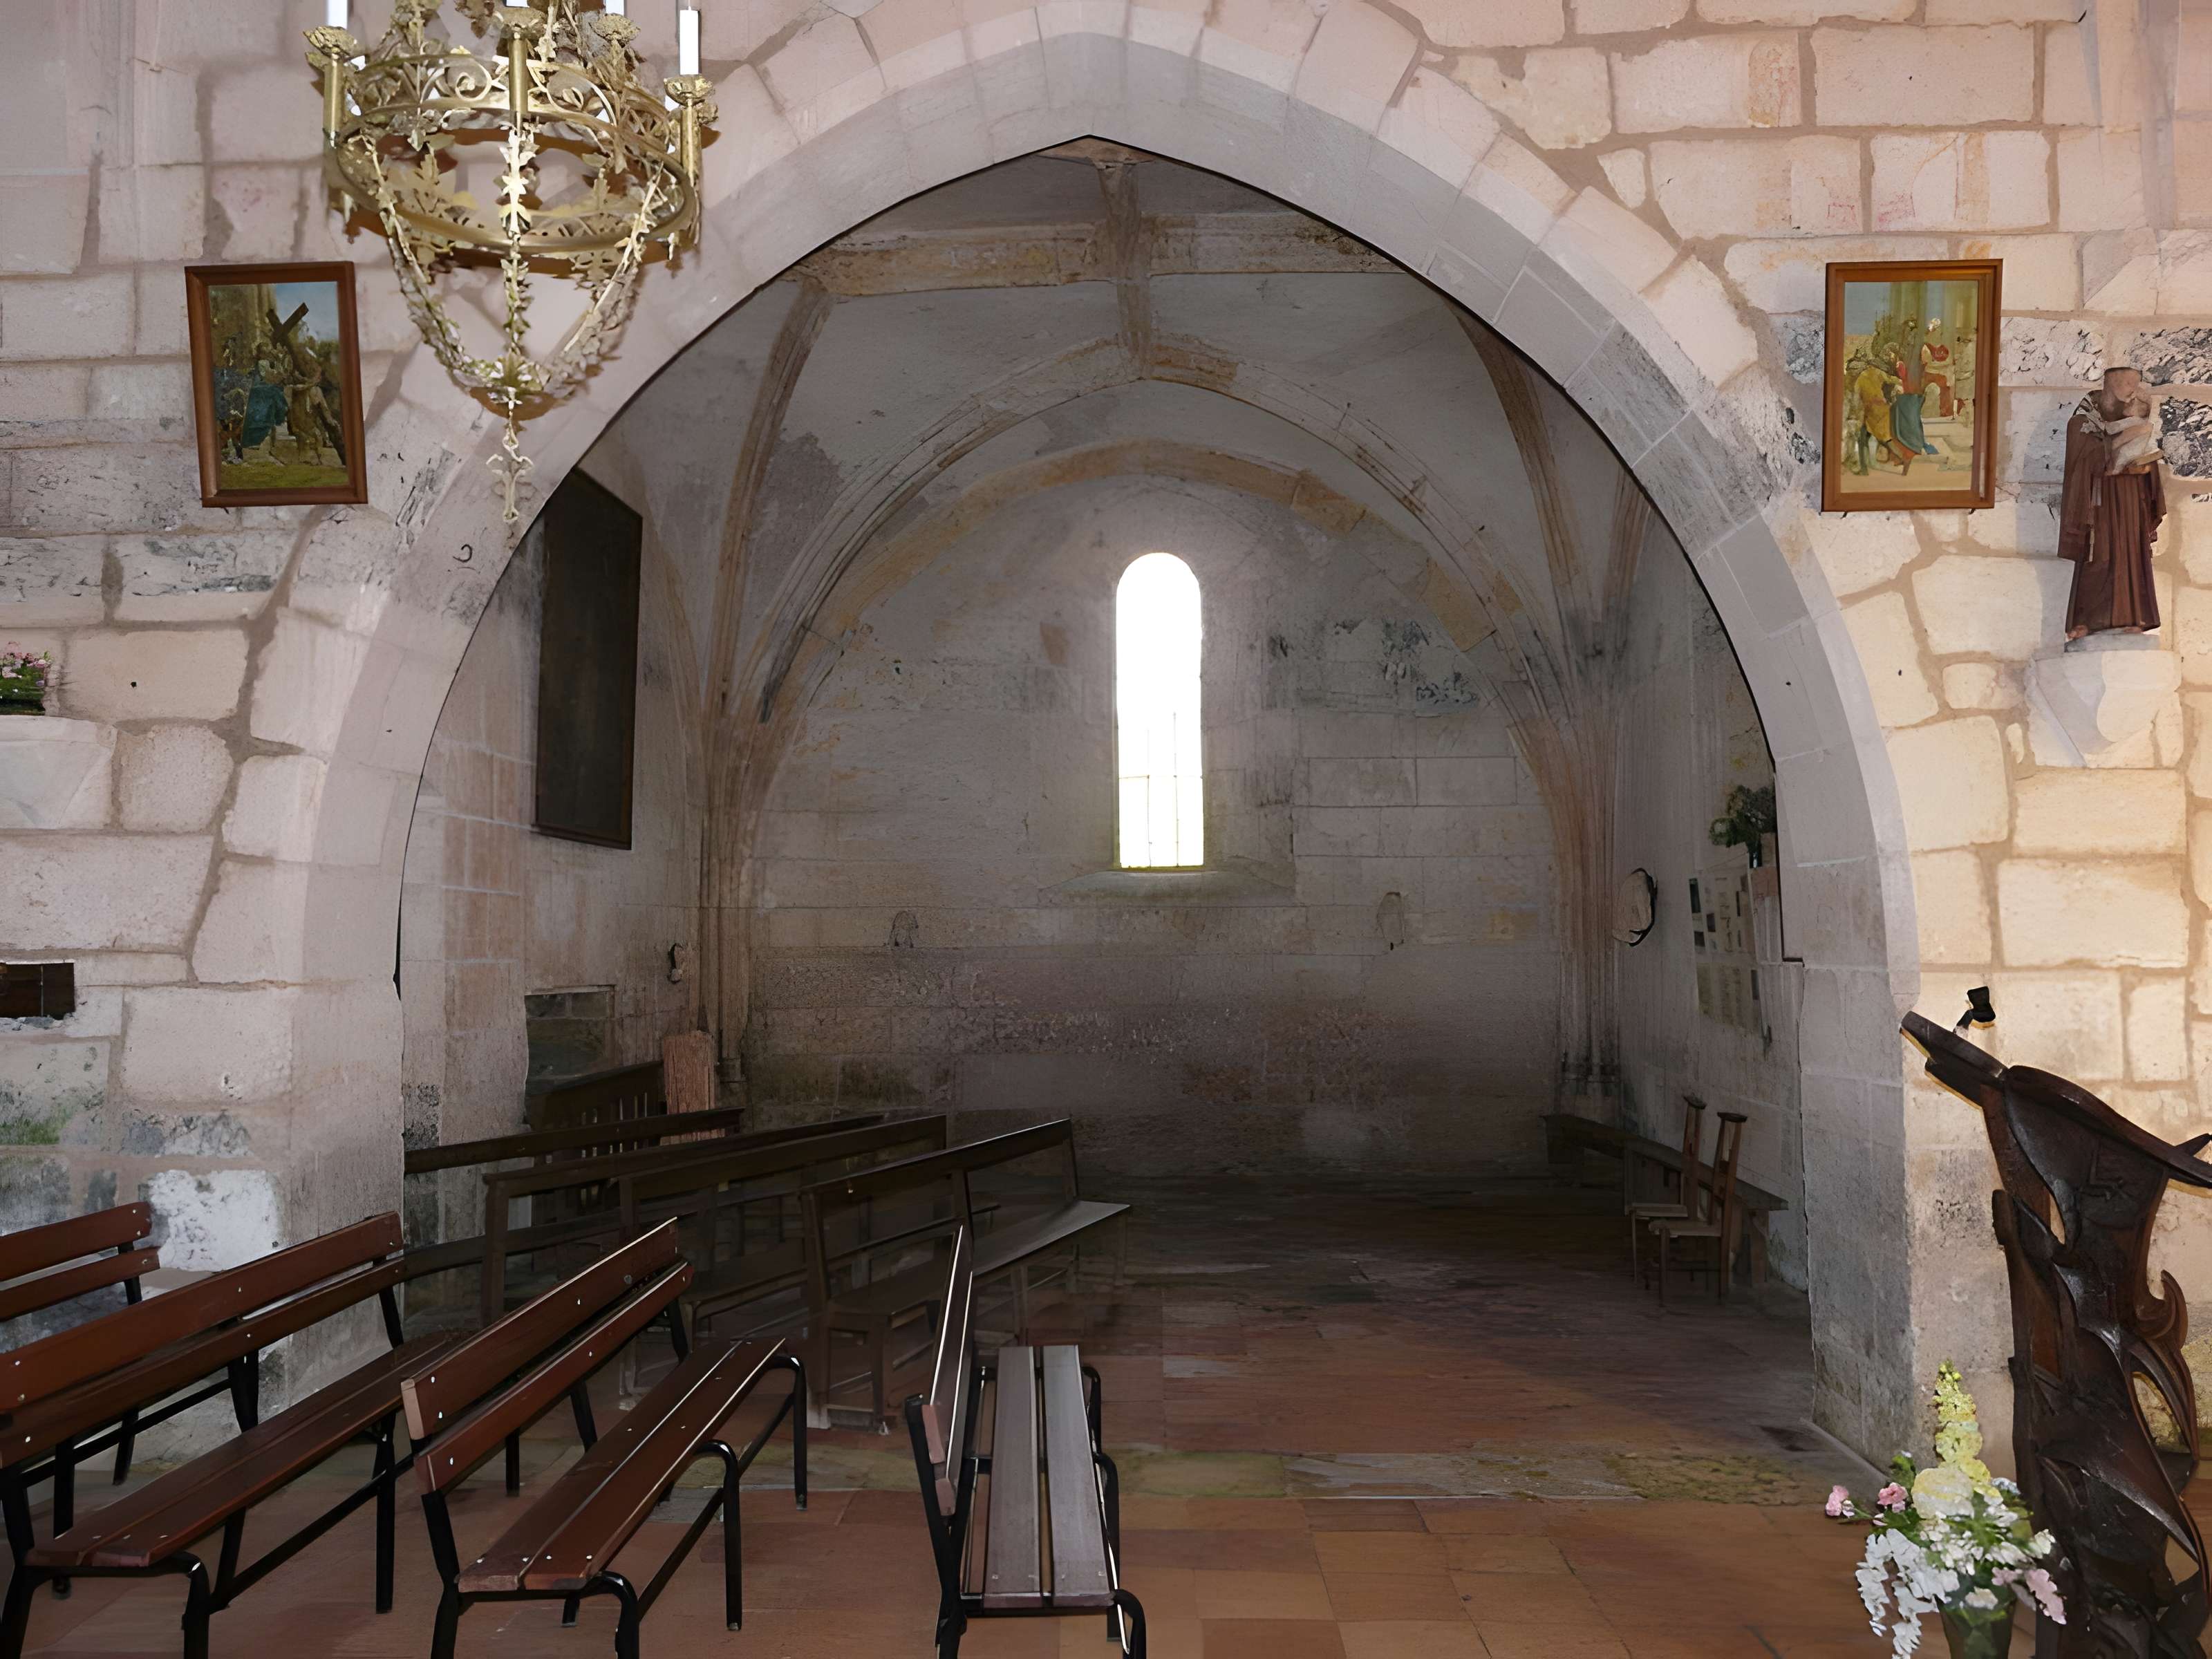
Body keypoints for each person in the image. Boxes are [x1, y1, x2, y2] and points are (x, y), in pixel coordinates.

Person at [2059, 365, 2164, 640]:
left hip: (2131, 499)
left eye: (2136, 385)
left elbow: (2147, 455)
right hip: (2099, 502)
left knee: (2132, 554)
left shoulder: (2137, 417)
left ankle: (2134, 616)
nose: (2133, 392)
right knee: (2099, 554)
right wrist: (2114, 448)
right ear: (2112, 383)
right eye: (2129, 384)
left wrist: (2146, 468)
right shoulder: (2084, 420)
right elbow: (2081, 461)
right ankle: (2086, 620)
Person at [1850, 352, 1915, 474]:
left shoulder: (1860, 379)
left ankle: (1901, 458)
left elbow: (1856, 398)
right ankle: (1901, 458)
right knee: (1885, 437)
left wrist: (1855, 412)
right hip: (1883, 408)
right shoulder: (1876, 372)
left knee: (1880, 438)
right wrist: (1901, 382)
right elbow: (1890, 379)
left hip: (1872, 413)